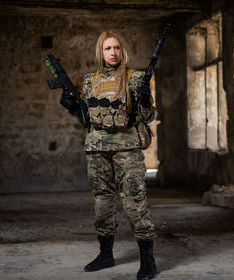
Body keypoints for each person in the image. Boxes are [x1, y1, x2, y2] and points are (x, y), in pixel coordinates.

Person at [60, 30, 157, 280]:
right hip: (97, 148)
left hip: (127, 148)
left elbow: (147, 118)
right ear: (100, 52)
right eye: (107, 48)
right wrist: (72, 106)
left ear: (122, 50)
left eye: (116, 48)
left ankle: (148, 259)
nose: (112, 53)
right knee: (102, 201)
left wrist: (145, 101)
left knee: (134, 201)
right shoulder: (90, 80)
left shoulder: (135, 79)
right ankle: (106, 254)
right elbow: (87, 118)